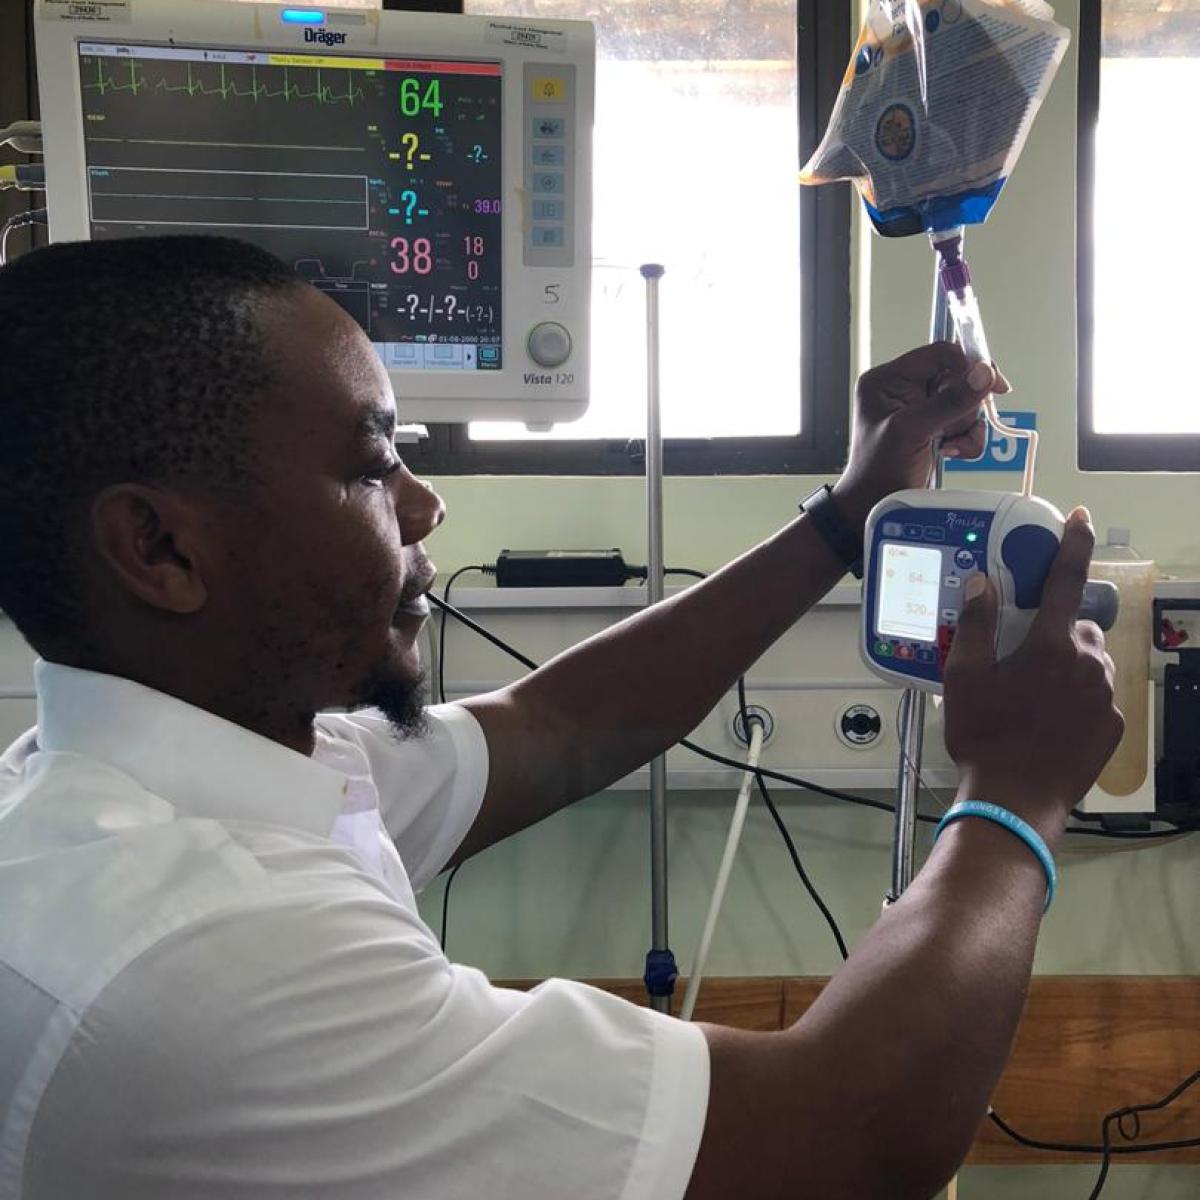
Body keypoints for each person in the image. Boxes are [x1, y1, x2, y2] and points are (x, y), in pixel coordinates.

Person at [0, 236, 1121, 1200]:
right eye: (372, 465)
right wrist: (1018, 791)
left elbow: (557, 721)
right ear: (159, 547)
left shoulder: (157, 783)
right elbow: (848, 1139)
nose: (423, 506)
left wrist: (847, 510)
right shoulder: (208, 965)